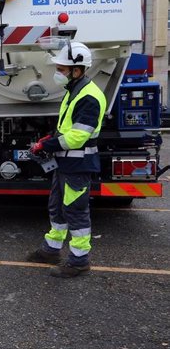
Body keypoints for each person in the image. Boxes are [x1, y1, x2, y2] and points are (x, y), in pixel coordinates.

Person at [27, 41, 106, 278]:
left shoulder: (89, 97)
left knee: (76, 212)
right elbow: (65, 128)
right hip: (66, 164)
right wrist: (49, 138)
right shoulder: (75, 91)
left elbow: (77, 137)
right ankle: (51, 250)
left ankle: (79, 261)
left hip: (78, 164)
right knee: (57, 208)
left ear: (77, 70)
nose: (57, 74)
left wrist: (46, 144)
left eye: (62, 70)